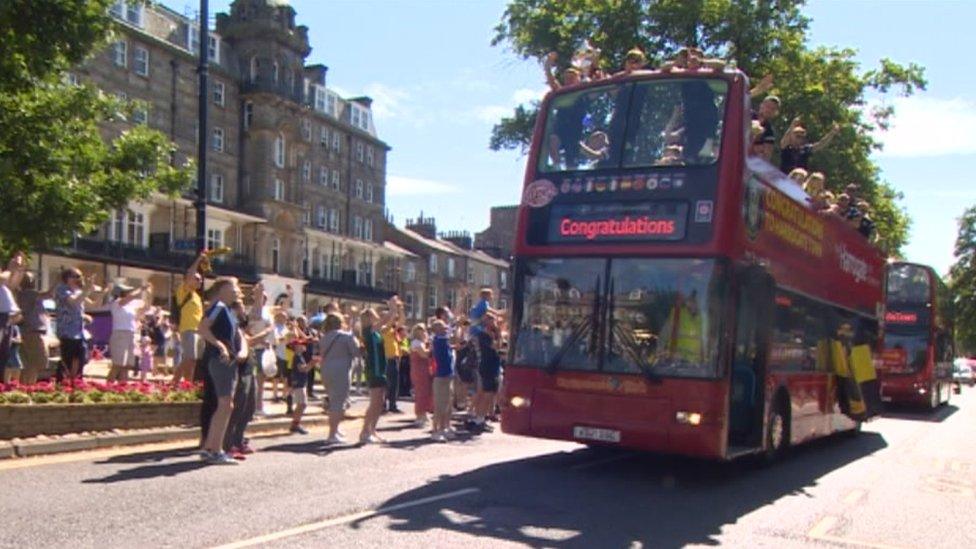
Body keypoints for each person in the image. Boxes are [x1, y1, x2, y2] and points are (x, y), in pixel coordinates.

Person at [197, 276, 246, 465]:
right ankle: (216, 451)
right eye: (232, 287)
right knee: (225, 404)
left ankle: (210, 447)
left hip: (227, 360)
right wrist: (220, 346)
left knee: (226, 404)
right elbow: (202, 328)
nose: (236, 290)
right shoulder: (218, 307)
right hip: (220, 360)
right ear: (221, 289)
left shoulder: (226, 310)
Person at [358, 301, 399, 444]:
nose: (376, 317)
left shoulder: (376, 332)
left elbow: (389, 323)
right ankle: (364, 432)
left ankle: (372, 430)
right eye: (373, 316)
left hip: (381, 368)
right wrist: (392, 308)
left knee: (380, 402)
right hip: (373, 369)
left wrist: (394, 311)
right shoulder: (368, 331)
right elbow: (384, 321)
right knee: (374, 402)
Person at [319, 312, 360, 444]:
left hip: (326, 370)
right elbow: (356, 351)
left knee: (333, 400)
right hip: (341, 371)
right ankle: (332, 434)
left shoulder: (324, 338)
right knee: (338, 403)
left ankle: (335, 429)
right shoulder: (345, 336)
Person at [226, 301, 257, 459]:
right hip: (240, 369)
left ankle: (239, 440)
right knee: (238, 407)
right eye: (241, 307)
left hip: (250, 368)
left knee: (249, 407)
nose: (243, 310)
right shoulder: (233, 327)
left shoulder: (242, 327)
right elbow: (247, 342)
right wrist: (266, 332)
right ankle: (229, 443)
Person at [172, 253, 206, 385]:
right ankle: (186, 384)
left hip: (197, 331)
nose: (199, 281)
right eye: (197, 279)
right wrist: (198, 260)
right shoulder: (184, 290)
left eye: (200, 279)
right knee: (190, 358)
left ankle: (179, 382)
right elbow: (190, 272)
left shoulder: (197, 297)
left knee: (191, 359)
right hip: (188, 329)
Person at [107, 282, 151, 383]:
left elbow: (145, 309)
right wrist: (141, 289)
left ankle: (122, 388)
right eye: (127, 291)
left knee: (127, 365)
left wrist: (148, 295)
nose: (129, 293)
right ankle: (107, 388)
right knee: (118, 364)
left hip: (131, 335)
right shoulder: (116, 303)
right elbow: (129, 298)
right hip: (120, 334)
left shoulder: (130, 307)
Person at [469, 312, 502, 433]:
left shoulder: (493, 334)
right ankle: (479, 419)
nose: (495, 323)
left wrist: (498, 334)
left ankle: (483, 419)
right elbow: (495, 347)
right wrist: (497, 333)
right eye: (492, 320)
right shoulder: (483, 335)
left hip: (494, 366)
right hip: (486, 366)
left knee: (491, 394)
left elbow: (501, 347)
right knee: (485, 394)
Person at [16, 272, 51, 385]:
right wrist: (58, 281)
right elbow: (49, 294)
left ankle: (25, 387)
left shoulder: (24, 295)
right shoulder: (28, 293)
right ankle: (28, 388)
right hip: (32, 333)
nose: (32, 281)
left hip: (29, 332)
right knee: (37, 363)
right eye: (29, 279)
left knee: (29, 364)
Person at [245, 282, 273, 417]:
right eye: (260, 297)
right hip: (252, 348)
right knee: (251, 379)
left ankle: (259, 406)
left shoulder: (268, 313)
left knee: (261, 380)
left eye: (264, 297)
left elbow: (269, 329)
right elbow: (247, 329)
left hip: (264, 349)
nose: (262, 299)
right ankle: (250, 406)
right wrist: (257, 339)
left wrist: (265, 341)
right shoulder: (249, 311)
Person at [658, 291, 705, 364]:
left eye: (696, 301)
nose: (693, 303)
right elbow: (663, 336)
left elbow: (711, 346)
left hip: (699, 370)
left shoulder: (706, 320)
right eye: (691, 300)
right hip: (676, 365)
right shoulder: (677, 314)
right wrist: (661, 354)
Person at [430, 320, 455, 442]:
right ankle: (436, 430)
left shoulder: (444, 340)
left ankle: (445, 426)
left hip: (448, 375)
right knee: (440, 405)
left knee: (448, 404)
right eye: (441, 326)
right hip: (440, 376)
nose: (444, 327)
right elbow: (451, 332)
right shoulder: (438, 340)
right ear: (436, 329)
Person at [381, 299, 405, 413]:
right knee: (387, 383)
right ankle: (383, 404)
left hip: (394, 359)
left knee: (394, 383)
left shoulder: (392, 330)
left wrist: (400, 310)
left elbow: (401, 321)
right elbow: (390, 322)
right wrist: (393, 309)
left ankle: (392, 404)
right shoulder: (383, 329)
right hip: (386, 359)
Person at [287, 337, 314, 435]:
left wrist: (311, 364)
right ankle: (295, 424)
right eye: (301, 344)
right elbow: (302, 369)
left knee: (301, 404)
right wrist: (312, 362)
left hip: (300, 382)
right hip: (299, 383)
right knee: (302, 404)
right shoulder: (297, 357)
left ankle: (295, 424)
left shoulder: (300, 356)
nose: (304, 346)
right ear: (296, 347)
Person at [409, 324, 433, 429]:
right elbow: (424, 354)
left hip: (424, 369)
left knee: (426, 392)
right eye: (421, 330)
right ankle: (419, 416)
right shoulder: (416, 343)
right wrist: (432, 347)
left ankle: (424, 414)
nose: (423, 332)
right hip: (419, 370)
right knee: (421, 392)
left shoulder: (423, 342)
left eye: (424, 330)